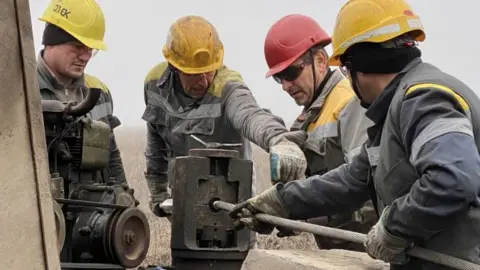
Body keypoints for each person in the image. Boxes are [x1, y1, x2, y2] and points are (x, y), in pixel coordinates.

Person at [229, 0, 480, 269]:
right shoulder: (393, 112)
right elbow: (352, 179)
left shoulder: (423, 99)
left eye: (347, 70)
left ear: (361, 64)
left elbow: (452, 180)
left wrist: (393, 228)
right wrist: (281, 201)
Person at [141, 15, 307, 219]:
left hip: (232, 204)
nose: (203, 81)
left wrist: (278, 139)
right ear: (175, 67)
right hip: (183, 199)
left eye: (209, 72)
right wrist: (158, 192)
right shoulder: (154, 84)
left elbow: (250, 115)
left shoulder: (228, 86)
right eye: (194, 74)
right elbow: (156, 139)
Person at [263, 14, 376, 251]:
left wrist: (299, 210)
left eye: (292, 72)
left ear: (321, 60)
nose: (285, 85)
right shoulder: (311, 117)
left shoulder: (349, 103)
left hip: (364, 252)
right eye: (278, 78)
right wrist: (299, 217)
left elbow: (366, 194)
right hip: (339, 252)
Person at [37, 0, 127, 184]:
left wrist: (125, 199)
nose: (85, 57)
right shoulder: (20, 92)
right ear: (51, 41)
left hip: (93, 208)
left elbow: (111, 158)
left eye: (90, 49)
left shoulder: (99, 92)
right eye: (77, 47)